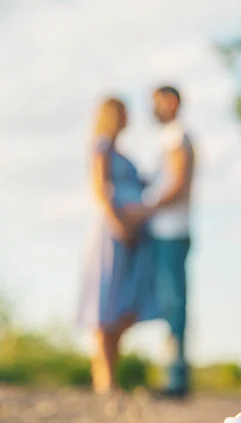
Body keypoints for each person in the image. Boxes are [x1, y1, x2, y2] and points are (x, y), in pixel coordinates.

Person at [77, 98, 155, 394]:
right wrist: (117, 222)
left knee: (125, 304)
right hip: (112, 234)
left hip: (132, 236)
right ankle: (104, 378)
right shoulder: (102, 147)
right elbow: (99, 187)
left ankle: (110, 373)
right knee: (105, 300)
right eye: (123, 113)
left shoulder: (121, 152)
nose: (128, 118)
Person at [125, 86, 194, 397]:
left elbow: (177, 184)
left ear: (172, 102)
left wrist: (144, 210)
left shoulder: (177, 136)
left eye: (157, 101)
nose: (153, 108)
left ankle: (176, 379)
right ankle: (172, 375)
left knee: (174, 303)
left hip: (172, 232)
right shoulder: (168, 138)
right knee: (168, 303)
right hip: (163, 233)